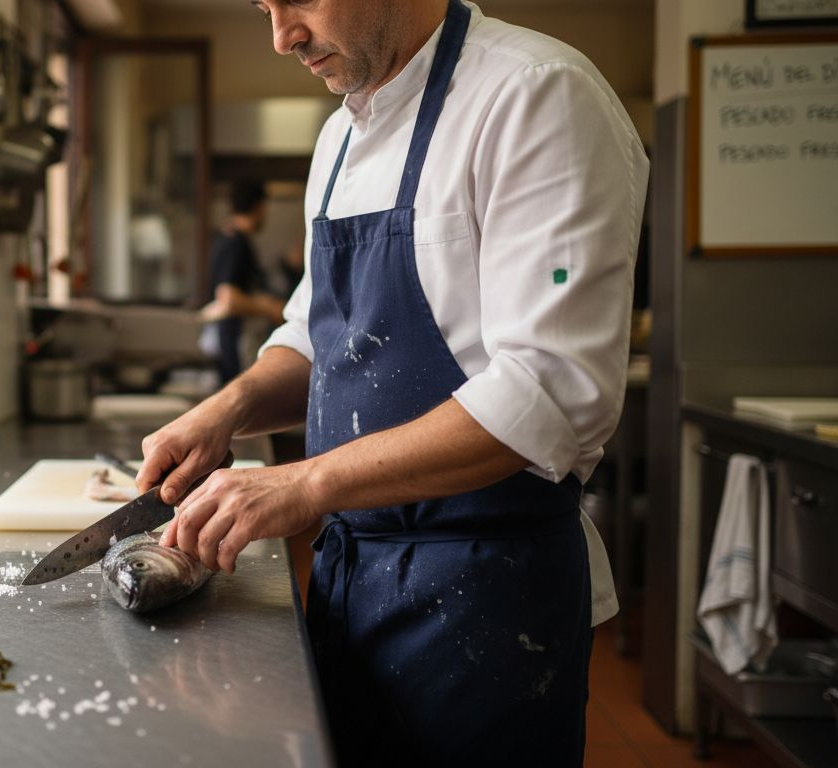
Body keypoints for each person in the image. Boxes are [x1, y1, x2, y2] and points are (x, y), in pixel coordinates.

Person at [136, 0, 648, 765]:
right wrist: (228, 409)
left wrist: (306, 483)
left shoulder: (535, 94)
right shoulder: (340, 136)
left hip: (485, 604)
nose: (282, 37)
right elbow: (317, 333)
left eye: (299, 0)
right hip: (351, 581)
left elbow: (549, 392)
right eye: (265, 7)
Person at [200, 180, 286, 384]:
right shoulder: (235, 243)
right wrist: (269, 307)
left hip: (227, 340)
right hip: (233, 343)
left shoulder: (225, 238)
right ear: (259, 207)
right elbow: (229, 298)